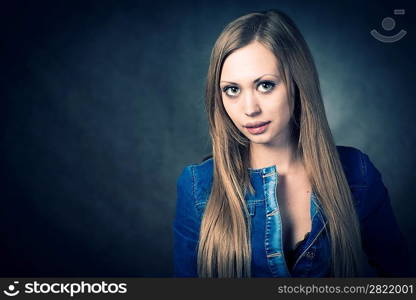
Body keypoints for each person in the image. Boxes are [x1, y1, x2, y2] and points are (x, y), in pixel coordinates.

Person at [173, 9, 411, 278]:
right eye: (232, 89)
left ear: (297, 83)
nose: (249, 109)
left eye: (265, 85)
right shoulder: (198, 187)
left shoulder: (357, 173)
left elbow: (401, 278)